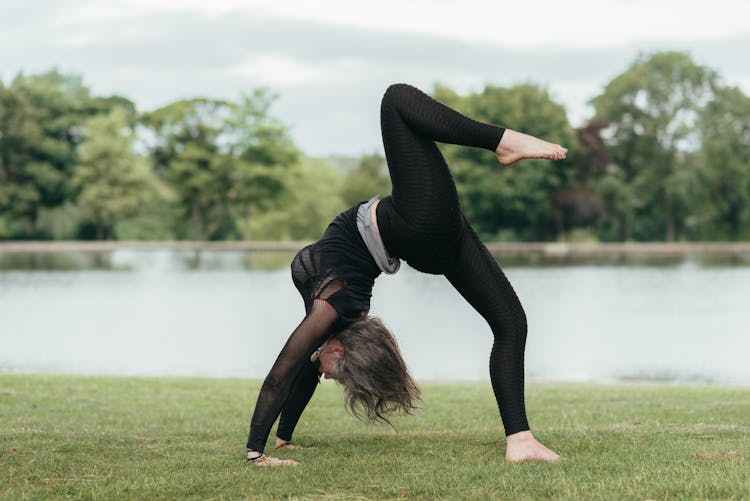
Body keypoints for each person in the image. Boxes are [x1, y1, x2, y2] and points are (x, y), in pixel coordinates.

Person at [246, 83, 567, 466]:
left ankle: (521, 440)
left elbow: (282, 375)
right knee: (396, 100)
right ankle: (504, 142)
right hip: (422, 227)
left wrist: (269, 446)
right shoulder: (333, 313)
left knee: (511, 323)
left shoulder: (330, 313)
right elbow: (299, 369)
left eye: (335, 373)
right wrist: (266, 446)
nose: (329, 378)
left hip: (426, 234)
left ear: (337, 348)